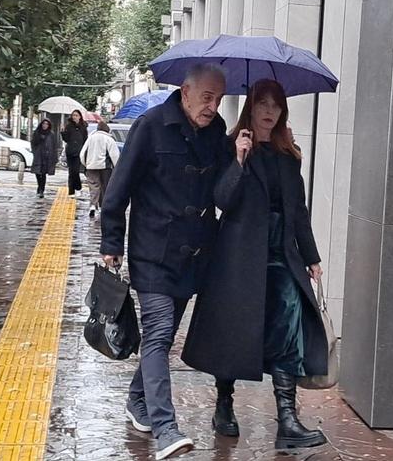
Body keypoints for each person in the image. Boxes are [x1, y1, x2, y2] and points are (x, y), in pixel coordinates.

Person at [182, 79, 328, 451]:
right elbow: (222, 200)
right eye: (262, 103)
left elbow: (298, 211)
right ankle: (224, 404)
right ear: (251, 107)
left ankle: (287, 419)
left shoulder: (288, 154)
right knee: (233, 329)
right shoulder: (231, 145)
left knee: (288, 326)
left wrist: (311, 256)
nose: (269, 111)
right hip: (238, 255)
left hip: (281, 254)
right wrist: (239, 160)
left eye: (276, 105)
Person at [100, 63, 229, 460]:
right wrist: (111, 243)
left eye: (218, 99)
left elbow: (224, 191)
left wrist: (241, 155)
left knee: (165, 334)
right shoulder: (151, 126)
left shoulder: (218, 131)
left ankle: (136, 400)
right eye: (206, 97)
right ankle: (165, 428)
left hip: (194, 256)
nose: (212, 107)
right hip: (152, 252)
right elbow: (117, 190)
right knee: (158, 332)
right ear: (185, 92)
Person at [79, 120, 120, 220]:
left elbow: (82, 153)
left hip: (91, 166)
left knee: (94, 186)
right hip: (105, 168)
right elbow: (115, 155)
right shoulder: (109, 139)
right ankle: (103, 207)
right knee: (105, 187)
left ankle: (93, 205)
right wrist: (117, 168)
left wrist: (86, 164)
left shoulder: (91, 138)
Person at [60, 110, 89, 197]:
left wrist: (85, 151)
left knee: (76, 171)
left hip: (79, 152)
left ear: (80, 117)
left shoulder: (83, 127)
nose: (74, 117)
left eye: (76, 115)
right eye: (73, 115)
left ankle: (78, 187)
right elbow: (66, 139)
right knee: (71, 172)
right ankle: (71, 191)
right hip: (70, 151)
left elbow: (85, 140)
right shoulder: (69, 126)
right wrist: (62, 132)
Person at [29, 119, 59, 198]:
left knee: (43, 173)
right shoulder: (37, 133)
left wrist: (54, 157)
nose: (45, 125)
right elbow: (33, 143)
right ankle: (39, 186)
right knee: (37, 173)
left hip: (47, 156)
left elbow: (54, 146)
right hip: (38, 156)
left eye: (47, 124)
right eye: (43, 124)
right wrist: (35, 151)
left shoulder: (51, 134)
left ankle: (41, 190)